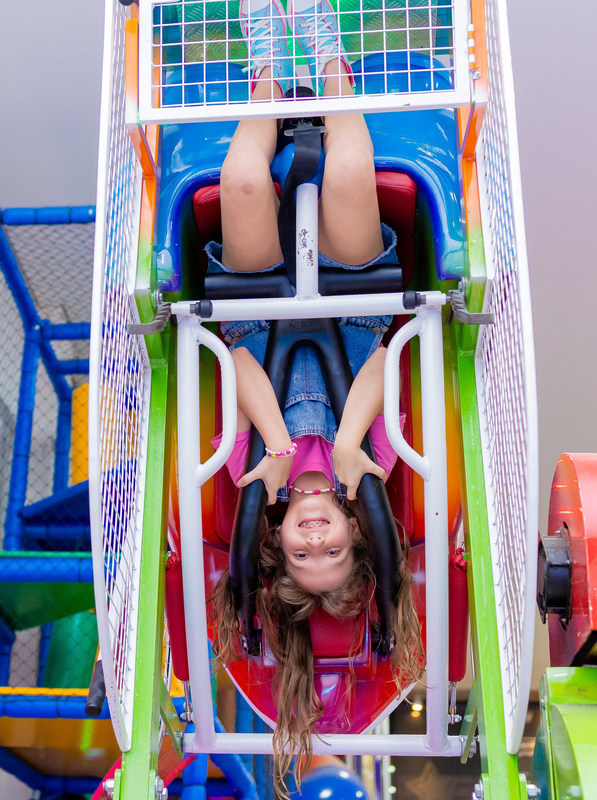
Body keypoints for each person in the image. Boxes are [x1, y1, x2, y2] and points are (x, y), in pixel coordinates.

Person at [205, 2, 423, 796]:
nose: (317, 539)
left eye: (303, 553)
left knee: (238, 179)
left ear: (279, 544)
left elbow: (245, 372)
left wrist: (270, 446)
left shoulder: (250, 478)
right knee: (347, 173)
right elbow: (376, 371)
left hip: (258, 315)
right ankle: (331, 61)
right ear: (357, 535)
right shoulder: (369, 467)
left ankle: (266, 61)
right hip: (356, 308)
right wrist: (351, 443)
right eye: (334, 550)